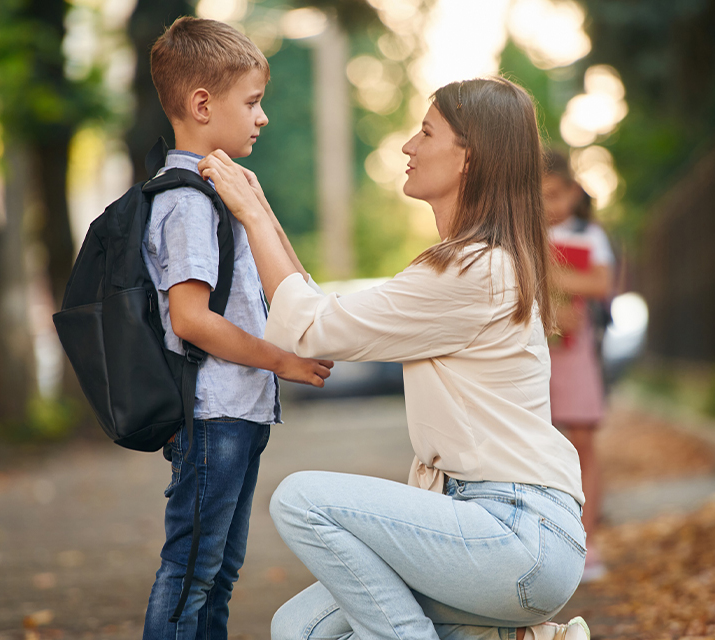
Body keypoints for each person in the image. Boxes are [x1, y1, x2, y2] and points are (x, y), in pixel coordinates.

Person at [199, 77, 590, 640]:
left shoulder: (469, 271)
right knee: (300, 629)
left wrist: (253, 217)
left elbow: (311, 327)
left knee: (302, 499)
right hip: (494, 531)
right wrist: (258, 207)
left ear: (468, 159)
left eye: (426, 133)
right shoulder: (476, 263)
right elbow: (316, 306)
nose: (408, 147)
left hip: (515, 535)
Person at [139, 16, 333, 640]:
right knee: (191, 570)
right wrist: (281, 361)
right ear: (202, 104)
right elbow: (190, 319)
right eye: (252, 102)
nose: (262, 117)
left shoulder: (224, 193)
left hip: (239, 412)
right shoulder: (187, 202)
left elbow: (295, 285)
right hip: (214, 414)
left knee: (217, 573)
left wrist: (260, 209)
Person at [541, 150, 616, 583]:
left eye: (555, 194)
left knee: (583, 437)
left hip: (575, 350)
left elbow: (601, 282)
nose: (549, 206)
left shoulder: (589, 234)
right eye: (540, 197)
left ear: (572, 191)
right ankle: (551, 538)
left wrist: (549, 275)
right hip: (535, 351)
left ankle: (588, 539)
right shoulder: (525, 232)